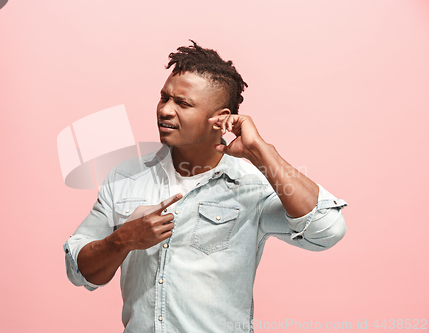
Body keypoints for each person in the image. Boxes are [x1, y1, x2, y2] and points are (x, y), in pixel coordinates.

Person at [63, 40, 347, 333]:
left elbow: (326, 231)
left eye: (182, 103)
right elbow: (79, 271)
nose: (165, 110)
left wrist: (261, 151)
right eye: (164, 98)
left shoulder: (252, 185)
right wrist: (122, 240)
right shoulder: (125, 176)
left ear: (220, 119)